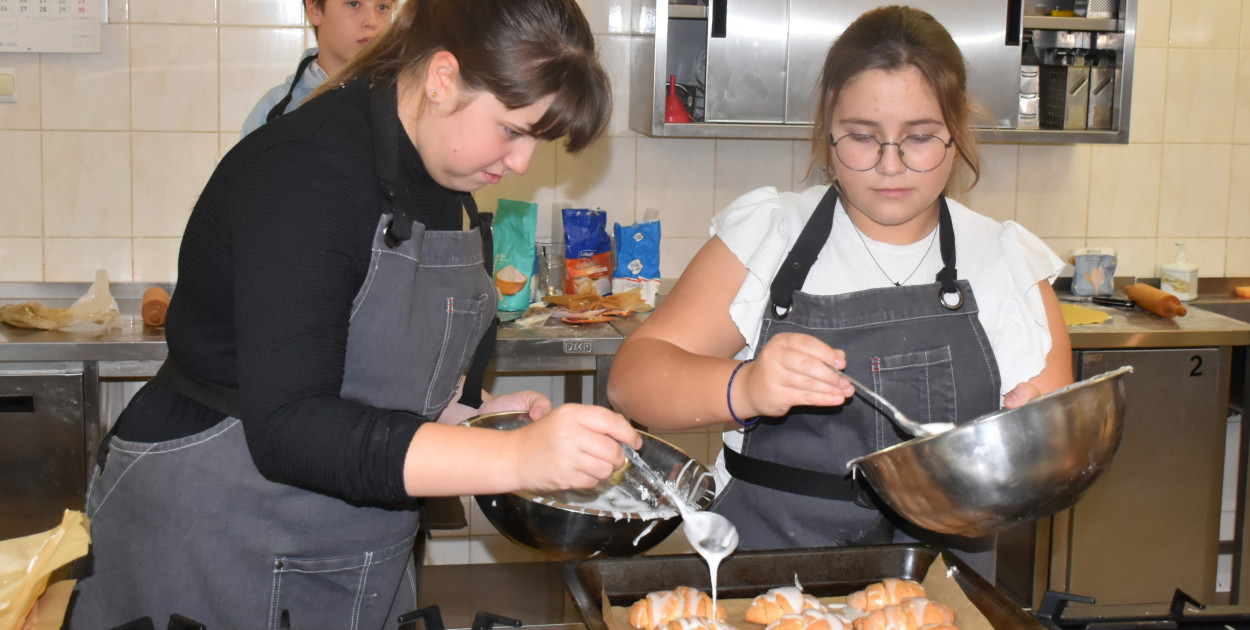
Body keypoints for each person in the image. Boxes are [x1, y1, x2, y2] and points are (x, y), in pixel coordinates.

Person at [68, 1, 635, 628]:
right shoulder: (305, 169)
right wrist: (517, 459)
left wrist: (469, 420)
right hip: (211, 541)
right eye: (513, 130)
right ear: (444, 77)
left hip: (356, 553)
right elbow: (289, 425)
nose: (523, 163)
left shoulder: (444, 187)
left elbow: (364, 371)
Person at [607, 5, 1072, 580]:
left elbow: (1051, 449)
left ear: (958, 131)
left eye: (920, 138)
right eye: (862, 138)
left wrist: (1033, 443)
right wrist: (745, 386)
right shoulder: (769, 236)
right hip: (769, 578)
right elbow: (633, 381)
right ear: (828, 131)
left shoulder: (1005, 262)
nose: (890, 166)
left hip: (938, 590)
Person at [240, 0, 393, 138]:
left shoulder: (404, 104)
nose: (372, 21)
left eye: (382, 7)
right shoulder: (273, 110)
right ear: (314, 9)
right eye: (354, 4)